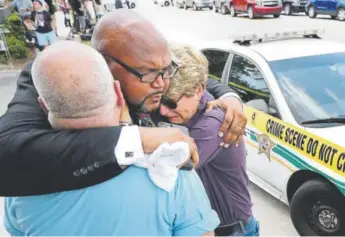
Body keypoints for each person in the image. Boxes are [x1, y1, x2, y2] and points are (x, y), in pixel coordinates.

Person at [0, 9, 246, 197]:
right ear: (106, 66)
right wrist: (137, 139)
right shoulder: (57, 74)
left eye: (166, 70)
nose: (162, 84)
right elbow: (5, 156)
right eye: (149, 73)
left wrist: (229, 97)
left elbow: (192, 77)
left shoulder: (153, 71)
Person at [4, 41, 220, 236]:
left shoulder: (20, 182)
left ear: (42, 104)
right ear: (118, 92)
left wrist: (226, 94)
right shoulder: (170, 169)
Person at [159, 44, 258, 236]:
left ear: (198, 91)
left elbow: (166, 171)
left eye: (171, 103)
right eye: (160, 100)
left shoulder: (215, 124)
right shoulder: (191, 105)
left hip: (232, 232)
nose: (163, 111)